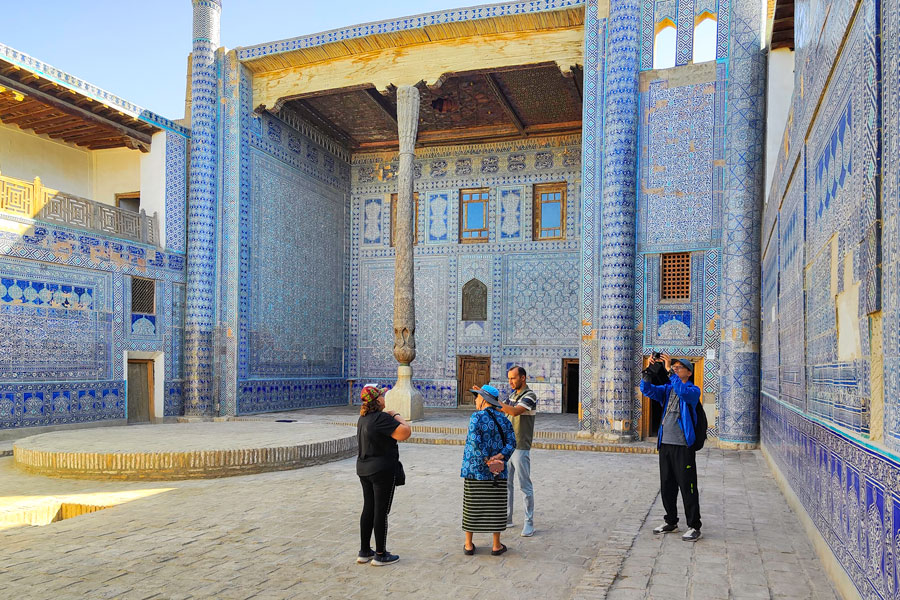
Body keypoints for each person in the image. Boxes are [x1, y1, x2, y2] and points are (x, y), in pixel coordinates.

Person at [639, 354, 703, 542]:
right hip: (665, 444)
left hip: (683, 446)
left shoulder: (693, 390)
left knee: (687, 486)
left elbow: (682, 392)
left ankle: (694, 525)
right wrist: (649, 372)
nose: (674, 369)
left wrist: (668, 371)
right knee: (667, 485)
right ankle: (671, 521)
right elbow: (647, 390)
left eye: (678, 367)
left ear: (689, 372)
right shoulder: (667, 390)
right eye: (673, 366)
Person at [356, 384, 411, 565]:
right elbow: (405, 432)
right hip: (381, 470)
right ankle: (380, 553)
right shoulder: (381, 418)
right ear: (378, 400)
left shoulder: (363, 418)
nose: (384, 397)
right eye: (381, 395)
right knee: (380, 511)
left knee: (369, 509)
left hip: (364, 469)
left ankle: (364, 551)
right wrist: (396, 415)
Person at [460, 384, 516, 556]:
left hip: (475, 469)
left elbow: (474, 441)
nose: (476, 400)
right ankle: (496, 545)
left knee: (472, 504)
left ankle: (469, 544)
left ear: (484, 400)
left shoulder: (476, 417)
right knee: (496, 506)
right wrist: (498, 457)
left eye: (477, 397)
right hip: (497, 471)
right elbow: (512, 442)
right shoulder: (504, 419)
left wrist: (486, 459)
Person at [498, 365, 538, 537]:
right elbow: (502, 410)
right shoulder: (512, 396)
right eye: (509, 378)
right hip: (508, 446)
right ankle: (507, 518)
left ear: (523, 378)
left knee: (524, 486)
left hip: (520, 446)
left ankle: (529, 523)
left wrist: (495, 401)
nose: (510, 381)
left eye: (513, 378)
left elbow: (514, 412)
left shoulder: (529, 396)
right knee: (506, 484)